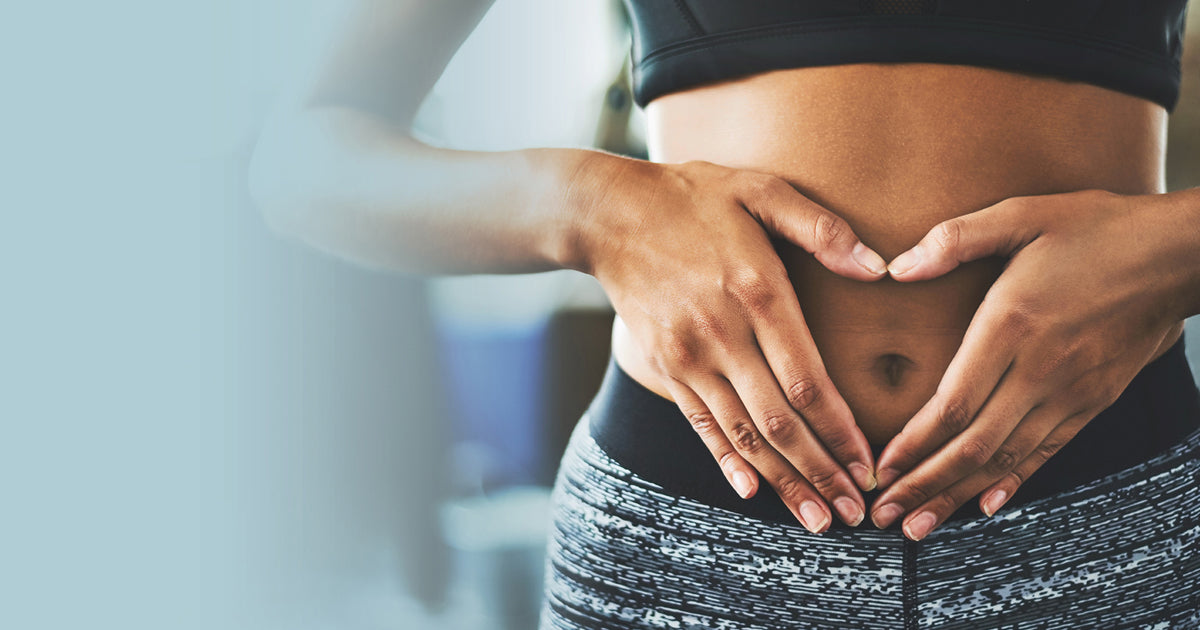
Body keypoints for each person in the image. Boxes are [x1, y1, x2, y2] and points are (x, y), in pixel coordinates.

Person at [248, 0, 1200, 627]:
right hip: (689, 537)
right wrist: (589, 207)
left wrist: (1182, 244)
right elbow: (303, 158)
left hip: (1115, 519)